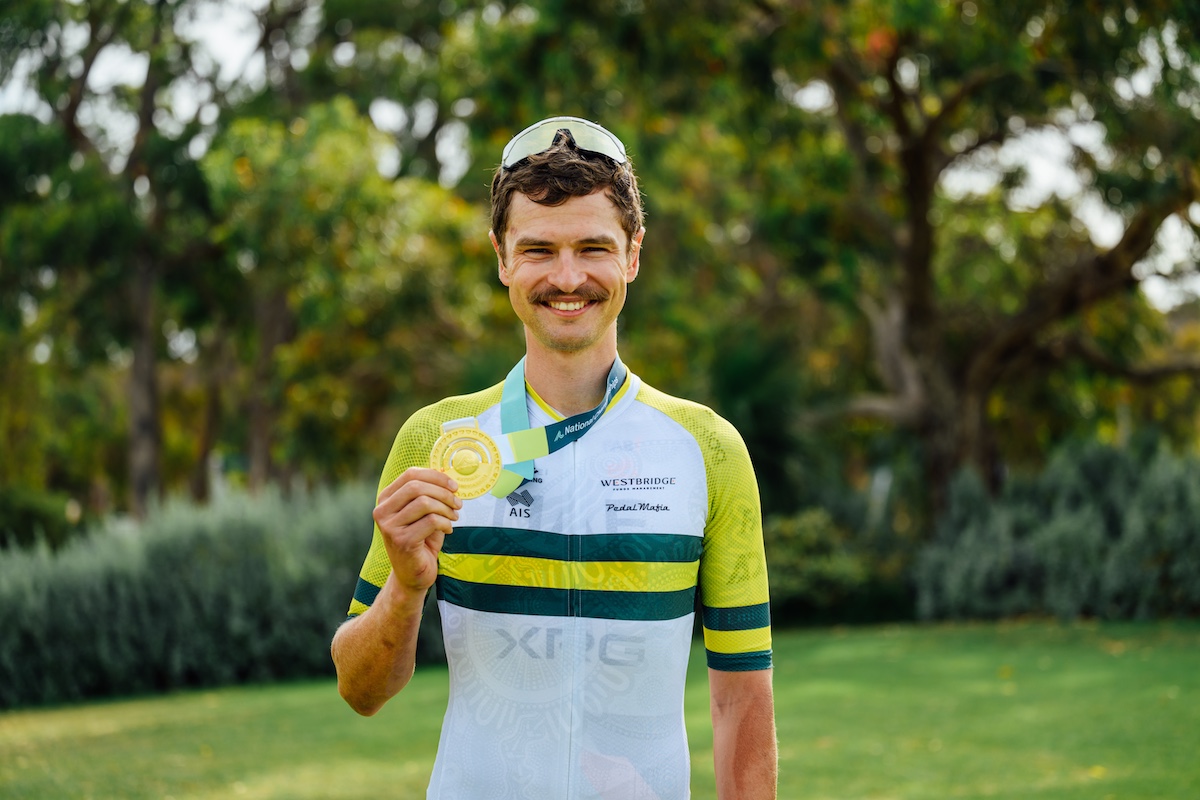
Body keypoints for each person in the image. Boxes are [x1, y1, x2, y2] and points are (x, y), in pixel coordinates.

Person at [331, 115, 777, 800]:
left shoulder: (708, 449)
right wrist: (407, 587)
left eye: (593, 248)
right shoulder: (437, 441)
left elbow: (741, 700)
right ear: (501, 257)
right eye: (539, 250)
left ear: (632, 253)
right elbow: (360, 691)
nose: (567, 278)